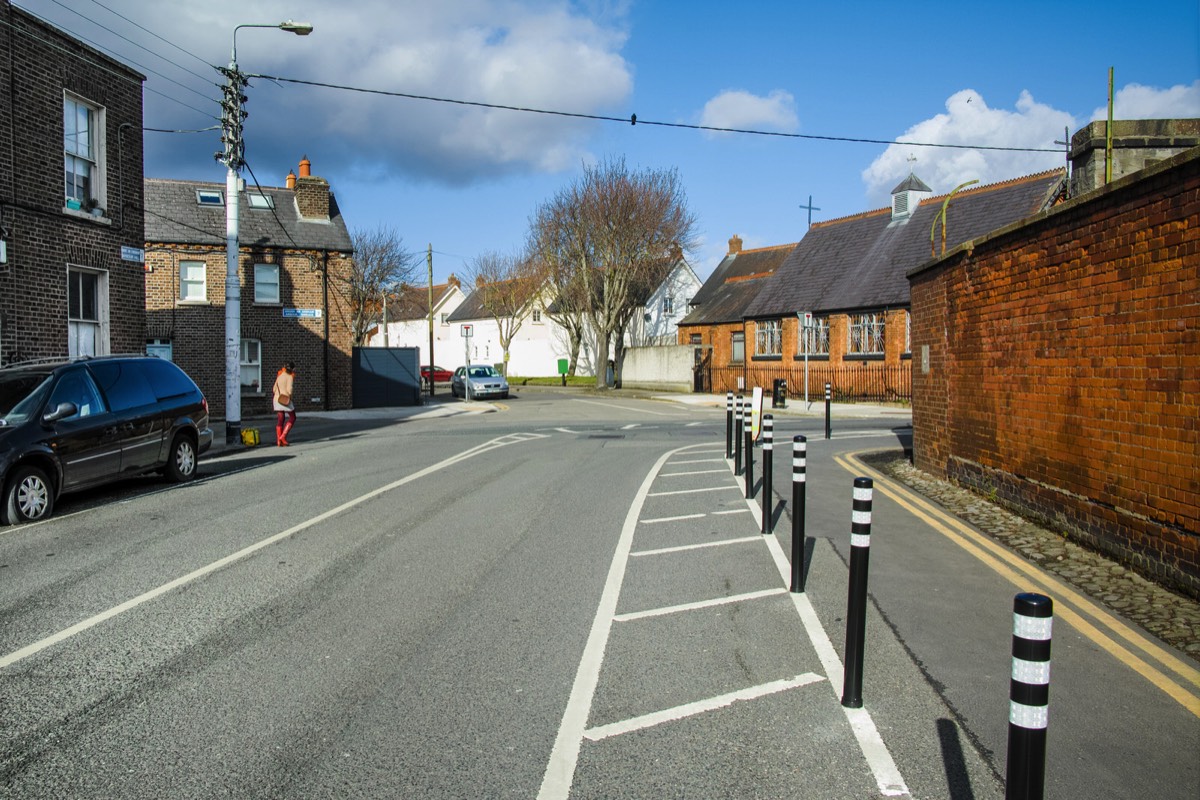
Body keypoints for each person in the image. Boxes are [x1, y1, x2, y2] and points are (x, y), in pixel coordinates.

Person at [272, 362, 296, 446]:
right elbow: (289, 390)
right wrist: (290, 397)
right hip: (285, 400)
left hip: (276, 399)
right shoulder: (290, 377)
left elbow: (274, 388)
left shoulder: (280, 375)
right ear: (292, 369)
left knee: (280, 420)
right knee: (293, 417)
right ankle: (283, 437)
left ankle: (279, 441)